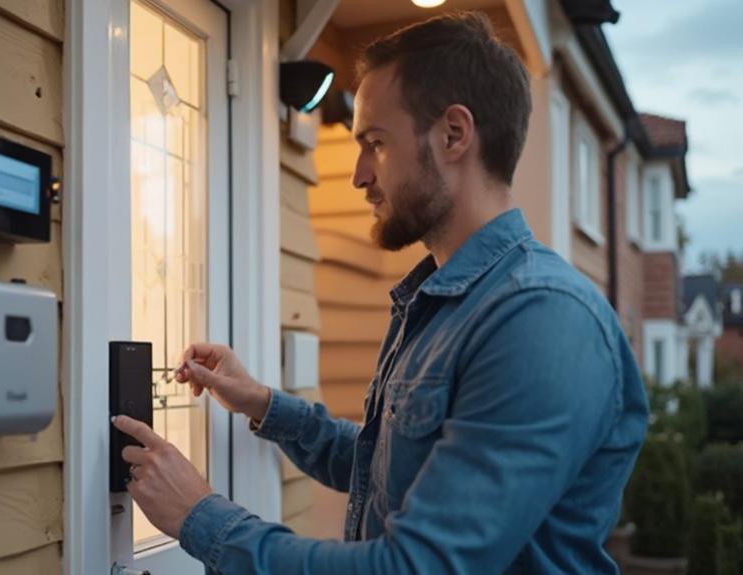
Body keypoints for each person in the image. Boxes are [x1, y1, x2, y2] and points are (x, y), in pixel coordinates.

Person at [112, 11, 648, 574]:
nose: (359, 175)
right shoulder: (445, 302)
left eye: (374, 142)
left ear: (453, 135)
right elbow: (384, 467)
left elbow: (417, 567)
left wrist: (199, 516)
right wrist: (261, 403)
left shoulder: (539, 319)